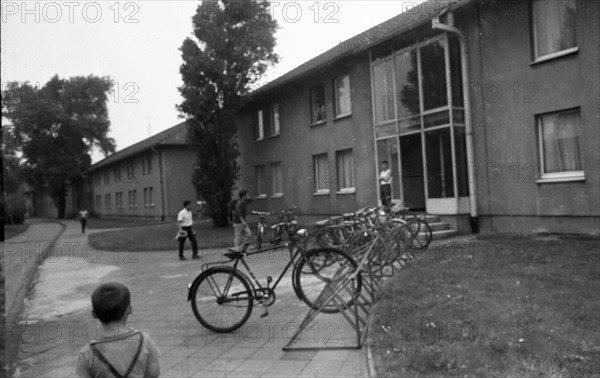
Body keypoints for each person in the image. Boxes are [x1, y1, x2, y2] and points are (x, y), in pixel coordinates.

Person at [75, 282, 160, 378]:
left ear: (94, 314)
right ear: (129, 309)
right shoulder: (144, 340)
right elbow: (153, 374)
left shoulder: (87, 354)